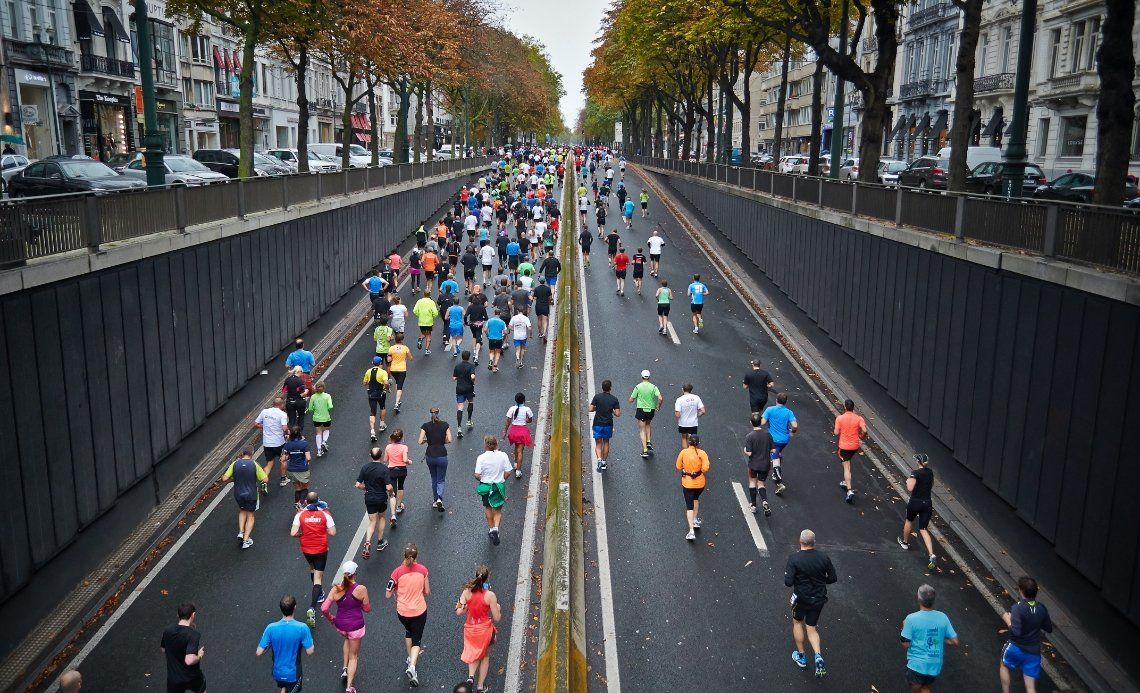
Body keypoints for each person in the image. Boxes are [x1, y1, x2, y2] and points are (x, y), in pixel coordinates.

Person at [785, 529, 837, 678]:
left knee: (797, 623)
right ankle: (818, 655)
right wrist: (821, 582)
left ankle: (801, 657)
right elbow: (833, 578)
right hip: (818, 599)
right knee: (812, 628)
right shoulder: (824, 558)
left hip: (801, 598)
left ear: (800, 541)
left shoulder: (794, 559)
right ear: (814, 542)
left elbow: (788, 582)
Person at [322, 562, 371, 693]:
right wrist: (358, 604)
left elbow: (324, 608)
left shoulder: (335, 589)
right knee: (354, 656)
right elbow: (367, 609)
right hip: (356, 627)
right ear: (355, 574)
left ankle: (344, 668)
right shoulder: (361, 589)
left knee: (347, 640)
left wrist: (332, 619)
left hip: (341, 626)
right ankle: (349, 687)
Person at [901, 584, 959, 692]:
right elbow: (955, 641)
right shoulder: (943, 617)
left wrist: (904, 628)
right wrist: (940, 638)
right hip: (935, 666)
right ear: (933, 600)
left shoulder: (911, 619)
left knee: (915, 689)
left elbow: (905, 644)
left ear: (919, 599)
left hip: (917, 666)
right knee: (925, 686)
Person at [1000, 577, 1053, 693]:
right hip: (1033, 652)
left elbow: (1016, 632)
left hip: (1015, 648)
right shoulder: (1041, 608)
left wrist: (1007, 619)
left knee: (1003, 665)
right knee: (1030, 687)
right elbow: (1049, 628)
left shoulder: (1017, 608)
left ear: (1021, 591)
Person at [291, 491, 336, 627]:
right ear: (318, 501)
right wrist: (323, 529)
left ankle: (320, 593)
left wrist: (301, 534)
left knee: (312, 568)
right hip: (321, 549)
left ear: (306, 502)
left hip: (306, 549)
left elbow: (293, 533)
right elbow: (333, 532)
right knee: (318, 578)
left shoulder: (300, 515)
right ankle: (312, 607)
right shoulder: (325, 514)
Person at [387, 544, 430, 687]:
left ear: (404, 555)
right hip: (419, 611)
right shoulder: (423, 570)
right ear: (416, 556)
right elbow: (427, 591)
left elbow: (388, 593)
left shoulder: (396, 573)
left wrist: (396, 592)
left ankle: (409, 658)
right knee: (417, 640)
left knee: (408, 632)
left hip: (402, 612)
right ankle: (412, 667)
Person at [457, 566, 502, 693]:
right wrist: (498, 607)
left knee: (474, 652)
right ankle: (480, 686)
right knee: (484, 655)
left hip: (470, 630)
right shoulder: (490, 595)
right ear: (487, 579)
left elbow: (459, 611)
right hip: (484, 631)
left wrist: (462, 605)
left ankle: (471, 677)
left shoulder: (466, 592)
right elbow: (497, 617)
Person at [257, 595, 315, 693]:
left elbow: (259, 652)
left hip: (277, 673)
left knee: (284, 688)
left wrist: (272, 642)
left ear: (280, 608)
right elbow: (310, 651)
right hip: (293, 674)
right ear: (295, 607)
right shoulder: (302, 628)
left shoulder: (270, 628)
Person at [898, 453, 938, 571]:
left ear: (917, 462)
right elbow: (931, 484)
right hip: (927, 503)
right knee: (923, 529)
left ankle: (905, 543)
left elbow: (910, 488)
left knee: (909, 520)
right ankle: (931, 555)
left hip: (915, 502)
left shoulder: (915, 473)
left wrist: (908, 480)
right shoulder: (930, 472)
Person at [222, 449, 266, 550]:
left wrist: (233, 479)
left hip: (238, 494)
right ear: (252, 454)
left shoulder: (235, 463)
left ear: (242, 454)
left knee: (242, 510)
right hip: (251, 494)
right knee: (250, 515)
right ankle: (246, 541)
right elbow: (265, 479)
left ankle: (241, 532)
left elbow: (224, 478)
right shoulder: (254, 464)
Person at [475, 435, 514, 545]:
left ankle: (491, 529)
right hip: (498, 486)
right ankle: (496, 528)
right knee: (497, 510)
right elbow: (508, 471)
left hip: (486, 486)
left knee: (487, 507)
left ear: (485, 444)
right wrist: (502, 480)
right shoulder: (503, 455)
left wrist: (482, 479)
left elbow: (477, 475)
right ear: (496, 444)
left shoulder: (481, 458)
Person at [161, 603, 206, 693]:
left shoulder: (168, 630)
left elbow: (163, 649)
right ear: (193, 615)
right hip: (192, 677)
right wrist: (200, 655)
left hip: (174, 679)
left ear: (178, 615)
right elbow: (189, 660)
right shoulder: (193, 635)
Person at [356, 447, 391, 560]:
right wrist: (391, 493)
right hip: (381, 498)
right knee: (381, 518)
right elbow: (388, 487)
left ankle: (367, 541)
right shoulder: (384, 469)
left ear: (370, 455)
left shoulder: (365, 467)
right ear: (381, 456)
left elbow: (357, 484)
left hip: (369, 498)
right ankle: (380, 542)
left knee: (372, 521)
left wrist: (367, 488)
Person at [675, 435, 710, 541]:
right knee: (696, 499)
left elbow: (678, 466)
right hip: (700, 484)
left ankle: (691, 531)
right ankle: (695, 520)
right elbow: (705, 468)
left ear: (689, 442)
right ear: (698, 443)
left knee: (689, 506)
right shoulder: (702, 453)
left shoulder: (684, 452)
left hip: (687, 484)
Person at [761, 392, 797, 494]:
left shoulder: (770, 410)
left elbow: (763, 423)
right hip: (784, 440)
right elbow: (795, 425)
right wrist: (792, 431)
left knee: (774, 457)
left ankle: (778, 480)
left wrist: (755, 422)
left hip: (772, 439)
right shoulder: (789, 412)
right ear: (785, 402)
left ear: (776, 400)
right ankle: (777, 471)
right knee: (778, 453)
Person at [834, 399, 868, 503]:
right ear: (853, 407)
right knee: (848, 463)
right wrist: (862, 436)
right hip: (855, 446)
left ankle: (849, 490)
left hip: (844, 447)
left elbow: (836, 432)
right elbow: (865, 430)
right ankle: (845, 481)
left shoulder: (840, 418)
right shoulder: (859, 418)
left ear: (845, 407)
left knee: (846, 467)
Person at [420, 408, 453, 511]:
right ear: (439, 413)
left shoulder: (425, 426)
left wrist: (427, 440)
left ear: (429, 414)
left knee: (434, 478)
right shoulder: (445, 425)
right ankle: (439, 498)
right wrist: (441, 440)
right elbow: (450, 440)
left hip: (430, 455)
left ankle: (435, 500)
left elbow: (420, 441)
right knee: (441, 479)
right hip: (442, 455)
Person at [744, 413, 776, 516]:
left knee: (752, 482)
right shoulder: (768, 434)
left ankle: (753, 505)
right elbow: (773, 450)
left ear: (751, 422)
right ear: (761, 422)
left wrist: (745, 450)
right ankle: (765, 501)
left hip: (753, 465)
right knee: (761, 483)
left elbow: (749, 453)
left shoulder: (749, 436)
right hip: (765, 465)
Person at [589, 379, 621, 472]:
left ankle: (599, 460)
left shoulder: (597, 397)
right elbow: (618, 414)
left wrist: (596, 408)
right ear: (610, 388)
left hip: (597, 423)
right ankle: (603, 462)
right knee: (606, 442)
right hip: (608, 424)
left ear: (602, 387)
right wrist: (612, 411)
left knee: (598, 443)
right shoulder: (614, 399)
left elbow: (590, 409)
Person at [629, 370, 663, 458]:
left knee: (642, 430)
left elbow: (631, 399)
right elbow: (660, 398)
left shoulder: (638, 387)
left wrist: (632, 399)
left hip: (641, 409)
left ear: (641, 377)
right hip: (651, 409)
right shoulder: (654, 387)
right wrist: (658, 406)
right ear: (649, 377)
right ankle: (648, 441)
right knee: (648, 424)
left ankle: (645, 450)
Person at [502, 392, 533, 478]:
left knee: (516, 447)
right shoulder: (527, 409)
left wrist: (505, 430)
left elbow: (508, 421)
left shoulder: (512, 409)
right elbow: (530, 420)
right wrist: (526, 420)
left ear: (515, 400)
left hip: (514, 431)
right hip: (523, 432)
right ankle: (518, 471)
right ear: (524, 400)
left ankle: (515, 463)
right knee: (520, 451)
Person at [384, 430, 411, 527]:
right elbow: (405, 460)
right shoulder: (404, 447)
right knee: (401, 487)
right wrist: (409, 461)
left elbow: (385, 460)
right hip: (402, 470)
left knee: (392, 493)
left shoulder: (388, 447)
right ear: (402, 438)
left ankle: (393, 515)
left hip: (391, 470)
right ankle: (399, 506)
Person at [282, 426, 312, 509]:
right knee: (305, 487)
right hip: (302, 468)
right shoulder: (304, 444)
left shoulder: (287, 445)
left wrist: (290, 456)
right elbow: (308, 457)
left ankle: (297, 503)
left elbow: (283, 458)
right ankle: (300, 503)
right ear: (300, 433)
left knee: (297, 488)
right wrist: (306, 462)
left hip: (291, 469)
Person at [363, 357, 390, 442]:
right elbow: (386, 382)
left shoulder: (368, 371)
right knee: (382, 407)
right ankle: (381, 425)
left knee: (372, 412)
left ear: (372, 363)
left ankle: (372, 431)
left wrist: (369, 382)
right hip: (381, 393)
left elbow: (364, 383)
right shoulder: (383, 372)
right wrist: (387, 388)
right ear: (381, 363)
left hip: (371, 394)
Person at [673, 383, 706, 448]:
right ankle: (693, 453)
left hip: (683, 423)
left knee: (684, 437)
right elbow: (703, 411)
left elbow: (678, 414)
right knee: (692, 439)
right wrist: (697, 415)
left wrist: (676, 414)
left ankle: (685, 454)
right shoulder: (696, 398)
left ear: (682, 389)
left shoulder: (679, 399)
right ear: (691, 390)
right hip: (693, 423)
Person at [387, 332, 412, 413]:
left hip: (393, 369)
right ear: (402, 340)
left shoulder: (391, 348)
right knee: (400, 387)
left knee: (397, 383)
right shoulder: (405, 348)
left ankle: (398, 400)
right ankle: (396, 403)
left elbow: (388, 360)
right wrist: (404, 358)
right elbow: (411, 358)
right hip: (402, 369)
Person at [280, 367, 309, 436]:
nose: (302, 374)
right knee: (301, 417)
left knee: (291, 419)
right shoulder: (300, 381)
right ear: (299, 372)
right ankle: (299, 435)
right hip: (299, 402)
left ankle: (290, 435)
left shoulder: (288, 380)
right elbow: (302, 394)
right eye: (302, 372)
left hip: (290, 402)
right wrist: (307, 391)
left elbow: (284, 391)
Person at [454, 350, 477, 434]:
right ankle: (469, 420)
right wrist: (473, 380)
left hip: (460, 388)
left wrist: (458, 377)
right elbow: (472, 376)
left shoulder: (457, 366)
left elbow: (454, 378)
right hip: (469, 388)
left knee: (460, 407)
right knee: (470, 402)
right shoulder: (471, 366)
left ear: (462, 357)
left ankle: (459, 428)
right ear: (469, 357)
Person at [307, 381, 333, 456]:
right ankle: (324, 442)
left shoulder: (313, 397)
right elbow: (331, 406)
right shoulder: (327, 396)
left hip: (316, 418)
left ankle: (319, 451)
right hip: (326, 417)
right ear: (324, 388)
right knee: (326, 430)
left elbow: (310, 408)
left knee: (318, 433)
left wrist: (315, 409)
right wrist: (327, 409)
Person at [413, 289, 440, 355]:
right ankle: (426, 349)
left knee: (423, 333)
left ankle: (420, 339)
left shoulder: (419, 301)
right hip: (429, 321)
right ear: (429, 295)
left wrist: (419, 315)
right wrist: (433, 317)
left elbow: (415, 311)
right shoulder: (431, 302)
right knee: (428, 334)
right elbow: (435, 313)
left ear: (423, 294)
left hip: (421, 321)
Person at [485, 308, 507, 373]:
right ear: (500, 314)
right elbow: (505, 332)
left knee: (491, 352)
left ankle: (491, 360)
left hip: (491, 338)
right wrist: (504, 338)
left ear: (494, 313)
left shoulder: (489, 321)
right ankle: (494, 367)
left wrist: (488, 335)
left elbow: (485, 330)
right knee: (498, 352)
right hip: (499, 339)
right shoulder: (502, 322)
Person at [532, 277, 553, 341]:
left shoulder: (536, 289)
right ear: (544, 281)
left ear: (539, 281)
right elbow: (550, 298)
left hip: (538, 306)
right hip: (545, 306)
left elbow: (534, 298)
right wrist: (549, 303)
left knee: (539, 319)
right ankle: (544, 333)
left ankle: (540, 333)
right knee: (545, 320)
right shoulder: (548, 289)